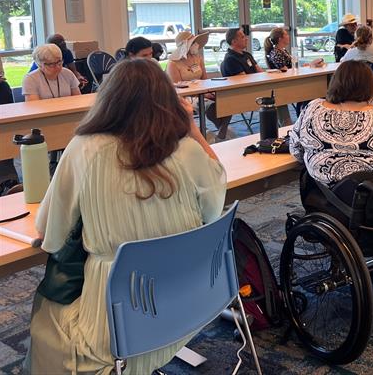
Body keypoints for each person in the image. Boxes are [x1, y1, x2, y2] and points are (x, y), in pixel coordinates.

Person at [26, 59, 225, 374]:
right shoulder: (185, 149)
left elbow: (51, 233)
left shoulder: (84, 148)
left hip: (113, 330)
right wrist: (193, 131)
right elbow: (214, 211)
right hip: (187, 305)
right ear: (167, 101)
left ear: (108, 99)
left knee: (46, 312)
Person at [290, 60, 373, 187]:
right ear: (371, 87)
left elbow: (296, 150)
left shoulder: (312, 109)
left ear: (334, 83)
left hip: (326, 198)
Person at [167, 30, 231, 139]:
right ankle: (221, 132)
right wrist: (202, 94)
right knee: (211, 106)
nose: (196, 45)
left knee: (226, 101)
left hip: (203, 92)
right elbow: (178, 89)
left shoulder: (198, 58)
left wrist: (209, 92)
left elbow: (205, 79)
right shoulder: (173, 64)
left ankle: (221, 131)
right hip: (187, 97)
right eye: (193, 43)